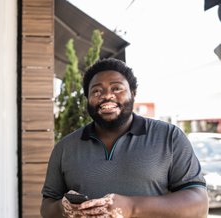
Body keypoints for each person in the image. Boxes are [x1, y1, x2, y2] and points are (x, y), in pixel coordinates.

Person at [40, 58, 209, 218]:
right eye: (96, 90)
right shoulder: (65, 147)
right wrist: (63, 209)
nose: (107, 95)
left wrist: (131, 207)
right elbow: (47, 206)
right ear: (87, 99)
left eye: (116, 88)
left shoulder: (169, 137)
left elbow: (199, 204)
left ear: (133, 94)